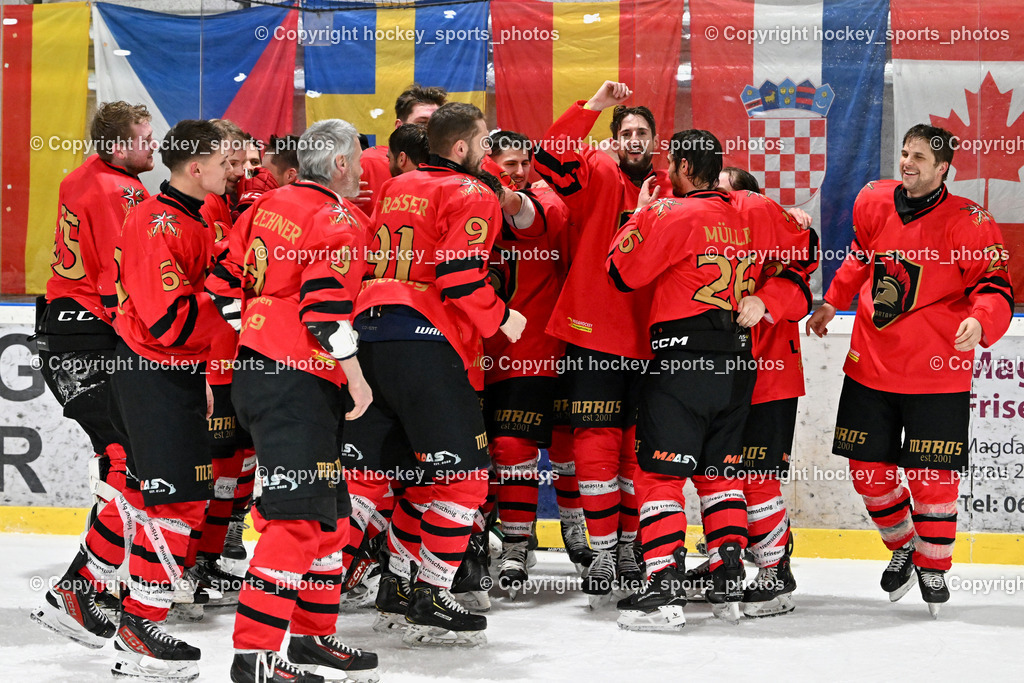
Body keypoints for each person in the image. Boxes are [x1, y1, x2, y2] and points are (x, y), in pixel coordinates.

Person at [606, 129, 815, 630]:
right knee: (721, 475)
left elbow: (620, 272)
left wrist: (639, 213)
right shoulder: (756, 207)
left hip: (682, 362)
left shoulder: (668, 212)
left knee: (660, 475)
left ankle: (663, 592)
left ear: (680, 166)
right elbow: (804, 241)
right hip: (739, 364)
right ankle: (725, 582)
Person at [806, 124, 1013, 616]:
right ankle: (903, 543)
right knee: (867, 472)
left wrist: (979, 323)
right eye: (904, 153)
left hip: (937, 373)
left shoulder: (970, 221)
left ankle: (933, 566)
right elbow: (861, 255)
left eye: (919, 156)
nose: (907, 163)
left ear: (944, 168)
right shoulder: (875, 200)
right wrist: (832, 301)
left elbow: (994, 287)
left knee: (932, 478)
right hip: (871, 363)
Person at [345, 102, 525, 646]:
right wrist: (502, 319)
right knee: (466, 478)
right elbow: (459, 275)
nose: (491, 149)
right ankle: (430, 594)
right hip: (424, 341)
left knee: (396, 481)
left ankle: (367, 592)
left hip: (368, 335)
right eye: (486, 140)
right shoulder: (474, 193)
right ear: (463, 148)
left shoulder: (398, 185)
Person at [208, 118, 380, 683]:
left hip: (261, 371)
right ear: (337, 165)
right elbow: (325, 310)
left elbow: (221, 282)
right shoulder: (340, 219)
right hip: (297, 380)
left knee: (329, 519)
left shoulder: (266, 203)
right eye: (356, 158)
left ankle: (313, 638)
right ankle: (255, 656)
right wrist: (356, 378)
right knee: (296, 522)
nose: (359, 170)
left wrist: (257, 329)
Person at [532, 80, 672, 605]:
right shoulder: (596, 172)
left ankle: (634, 545)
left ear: (655, 140)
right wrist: (592, 106)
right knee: (596, 439)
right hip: (594, 327)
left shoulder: (673, 186)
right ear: (614, 141)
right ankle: (604, 549)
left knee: (639, 446)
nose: (634, 139)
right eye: (626, 132)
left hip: (655, 335)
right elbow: (548, 156)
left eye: (642, 132)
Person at [30, 100, 153, 645]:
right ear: (116, 146)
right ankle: (79, 587)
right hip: (91, 334)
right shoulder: (117, 190)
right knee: (134, 460)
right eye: (144, 139)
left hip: (68, 331)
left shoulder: (81, 177)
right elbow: (120, 277)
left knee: (120, 461)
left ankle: (97, 582)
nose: (153, 147)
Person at [684, 167, 817, 618]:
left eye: (725, 194)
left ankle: (776, 574)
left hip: (769, 380)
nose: (715, 202)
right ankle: (729, 558)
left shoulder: (779, 239)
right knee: (722, 477)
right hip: (720, 381)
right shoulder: (709, 238)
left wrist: (767, 300)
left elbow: (801, 290)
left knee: (758, 477)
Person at [478, 130, 578, 595]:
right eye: (507, 164)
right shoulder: (470, 200)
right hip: (476, 352)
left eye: (523, 163)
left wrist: (508, 195)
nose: (517, 171)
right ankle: (485, 541)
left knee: (520, 449)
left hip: (530, 349)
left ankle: (519, 543)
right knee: (483, 457)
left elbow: (540, 219)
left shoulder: (542, 195)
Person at [356, 84, 447, 211]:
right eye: (422, 123)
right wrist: (339, 200)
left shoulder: (450, 168)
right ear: (399, 126)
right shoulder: (368, 162)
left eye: (437, 124)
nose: (431, 131)